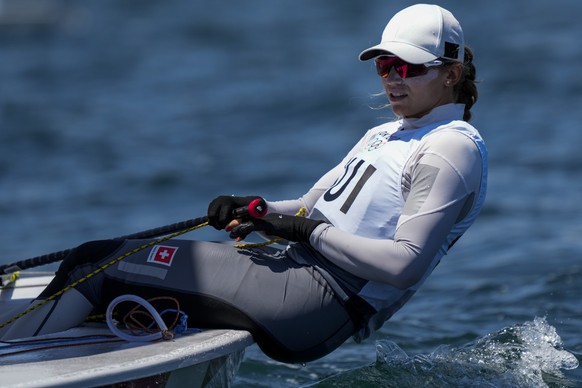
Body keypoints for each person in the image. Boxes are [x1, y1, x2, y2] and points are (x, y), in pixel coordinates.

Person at [1, 4, 487, 364]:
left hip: (319, 302)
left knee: (97, 264)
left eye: (409, 68)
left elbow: (403, 265)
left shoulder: (451, 147)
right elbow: (307, 207)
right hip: (291, 270)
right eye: (385, 65)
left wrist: (306, 232)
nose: (393, 79)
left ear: (452, 75)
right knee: (98, 256)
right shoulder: (386, 132)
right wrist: (255, 208)